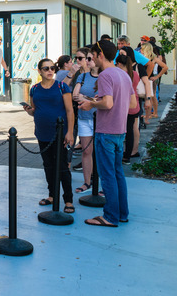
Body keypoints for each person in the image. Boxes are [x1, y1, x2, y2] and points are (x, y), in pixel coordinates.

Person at [79, 40, 137, 227]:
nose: (91, 58)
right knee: (118, 173)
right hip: (120, 132)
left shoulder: (104, 76)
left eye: (93, 55)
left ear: (100, 55)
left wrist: (92, 103)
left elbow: (108, 104)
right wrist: (101, 100)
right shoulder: (124, 74)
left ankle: (110, 217)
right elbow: (131, 105)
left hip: (106, 132)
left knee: (108, 175)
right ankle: (122, 214)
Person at [22, 58, 75, 214]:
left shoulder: (61, 86)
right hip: (42, 133)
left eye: (52, 68)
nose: (50, 71)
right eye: (46, 68)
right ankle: (52, 195)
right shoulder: (34, 89)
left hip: (59, 133)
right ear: (40, 71)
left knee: (62, 167)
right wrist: (29, 110)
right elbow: (35, 110)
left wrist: (70, 132)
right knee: (48, 166)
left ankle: (68, 199)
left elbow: (70, 111)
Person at [72, 48, 98, 193]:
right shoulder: (83, 77)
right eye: (86, 59)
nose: (87, 61)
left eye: (90, 58)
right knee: (86, 151)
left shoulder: (104, 77)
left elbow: (102, 99)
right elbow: (75, 96)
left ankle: (100, 182)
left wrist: (85, 98)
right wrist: (90, 99)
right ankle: (87, 182)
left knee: (100, 152)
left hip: (100, 119)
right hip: (84, 118)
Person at [117, 47, 142, 163]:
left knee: (124, 131)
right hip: (134, 103)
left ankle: (124, 155)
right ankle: (128, 154)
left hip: (124, 105)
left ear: (120, 64)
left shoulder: (122, 75)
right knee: (131, 130)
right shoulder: (135, 74)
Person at [140, 43, 168, 119]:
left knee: (150, 96)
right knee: (151, 96)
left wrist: (157, 76)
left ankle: (151, 113)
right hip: (149, 78)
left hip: (150, 79)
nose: (140, 50)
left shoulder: (153, 58)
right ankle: (153, 113)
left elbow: (165, 67)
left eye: (142, 49)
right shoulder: (150, 58)